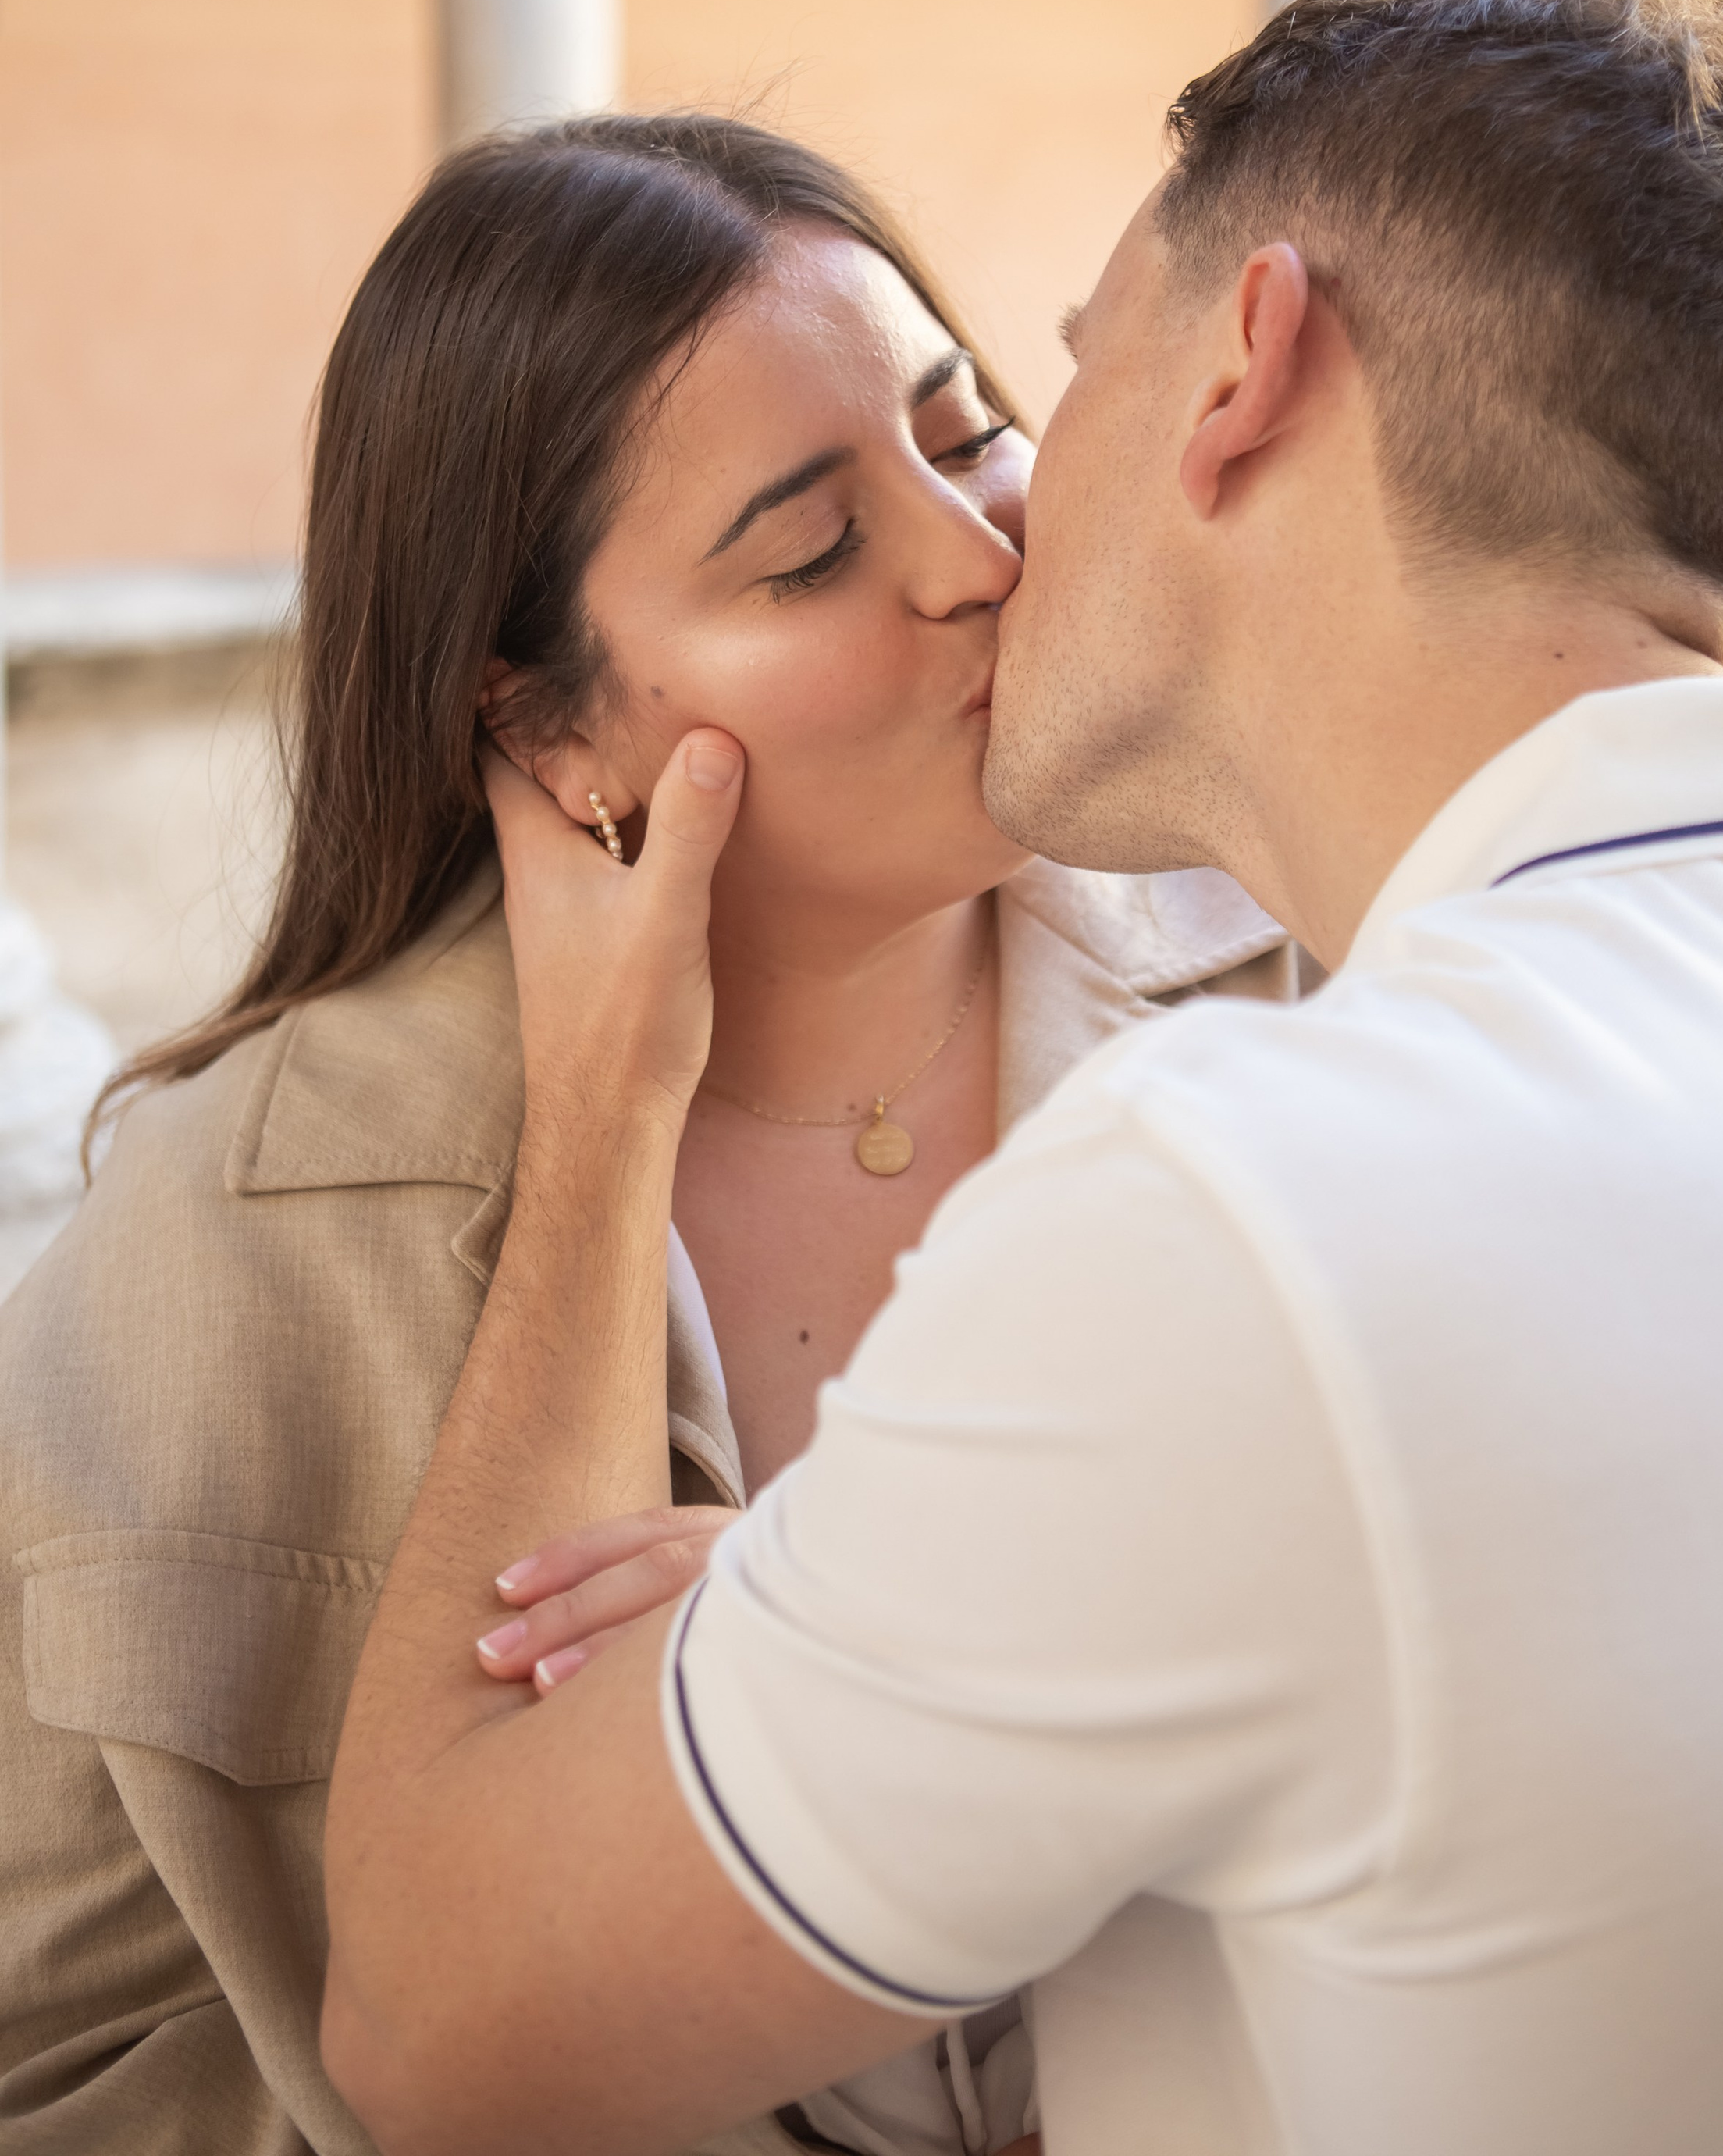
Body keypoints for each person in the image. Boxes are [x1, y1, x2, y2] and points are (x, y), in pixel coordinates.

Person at [322, 0, 1723, 2156]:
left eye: (1043, 384)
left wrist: (600, 1125)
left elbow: (438, 2033)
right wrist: (889, 1602)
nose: (990, 545)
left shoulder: (1237, 1217)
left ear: (1243, 368)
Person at [0, 114, 1302, 2155]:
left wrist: (896, 1630)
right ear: (546, 723)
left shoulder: (1322, 981)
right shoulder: (235, 1236)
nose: (982, 563)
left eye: (969, 435)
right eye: (809, 553)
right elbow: (58, 2063)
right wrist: (598, 1135)